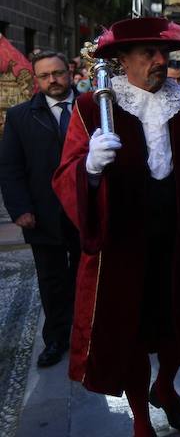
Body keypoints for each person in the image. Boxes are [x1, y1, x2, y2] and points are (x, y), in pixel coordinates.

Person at [51, 18, 180, 437]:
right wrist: (90, 169)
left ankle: (166, 387)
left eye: (163, 54)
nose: (160, 62)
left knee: (178, 326)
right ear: (122, 60)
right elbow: (65, 174)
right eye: (148, 54)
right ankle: (140, 417)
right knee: (131, 333)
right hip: (124, 243)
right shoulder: (91, 107)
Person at [0, 51, 79, 368]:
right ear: (36, 79)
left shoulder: (92, 107)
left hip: (86, 211)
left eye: (58, 73)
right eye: (45, 76)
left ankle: (89, 334)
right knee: (51, 280)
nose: (53, 80)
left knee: (86, 276)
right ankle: (57, 339)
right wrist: (20, 209)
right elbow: (10, 168)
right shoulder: (20, 116)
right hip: (43, 214)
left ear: (69, 72)